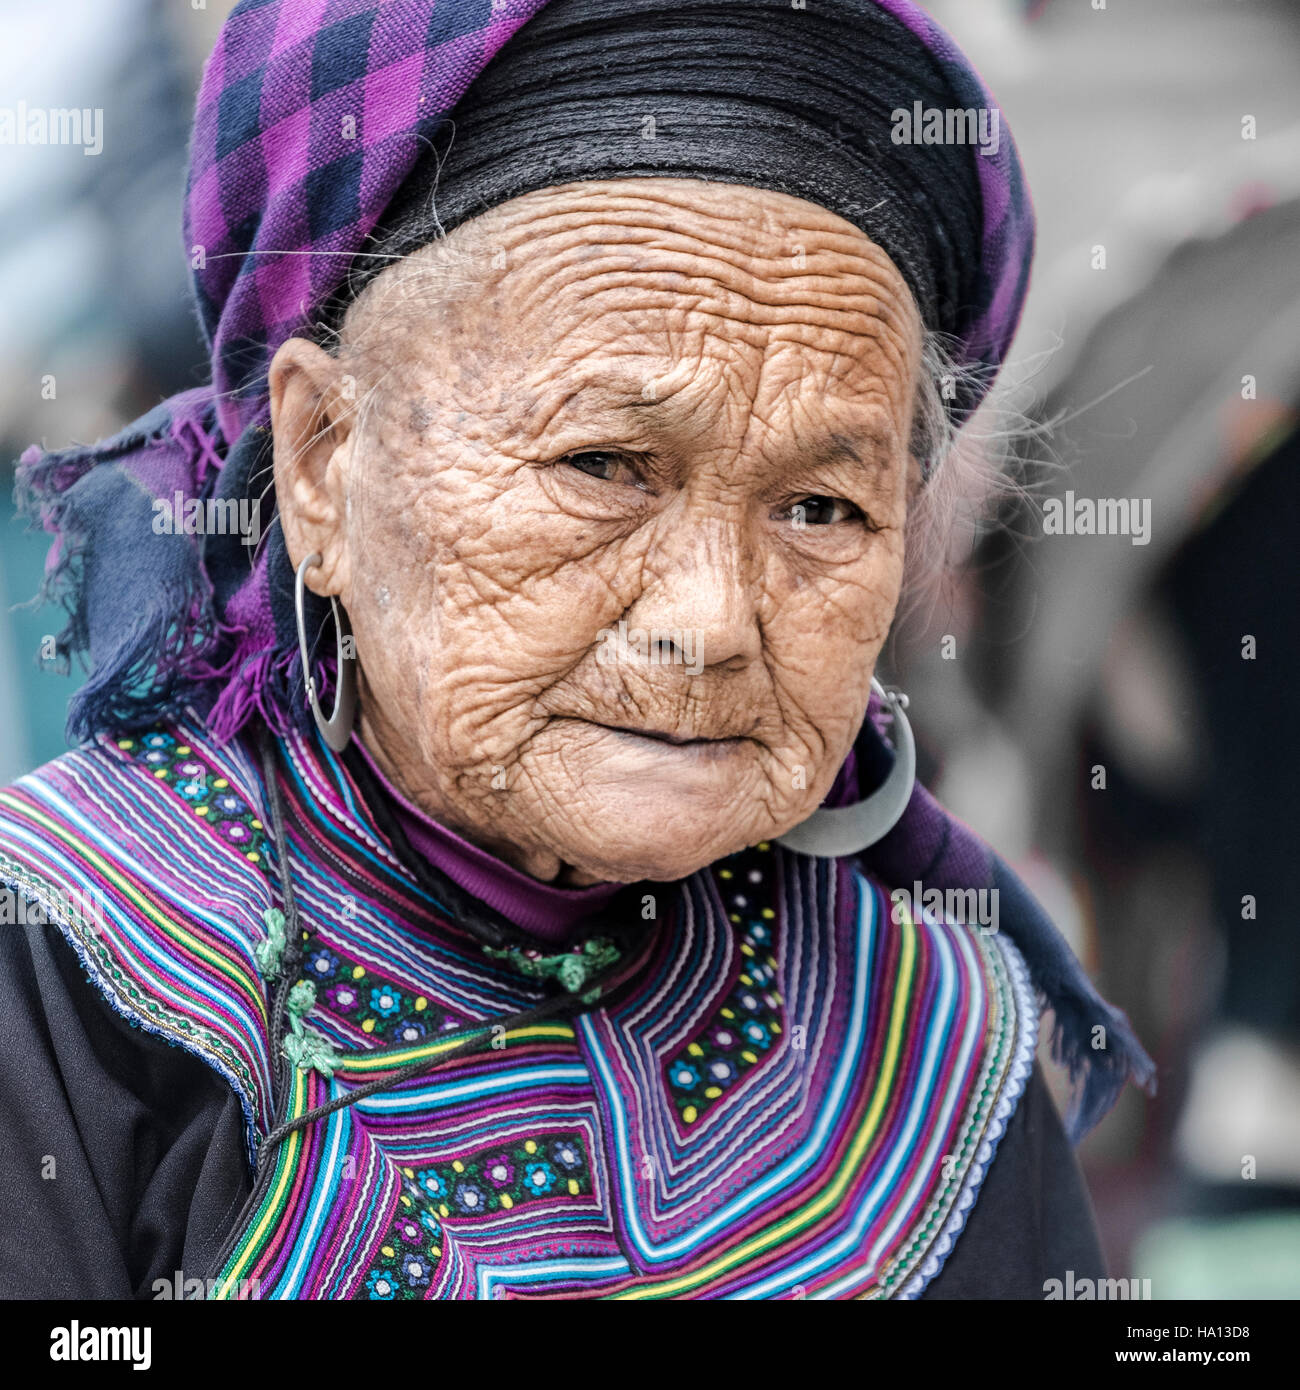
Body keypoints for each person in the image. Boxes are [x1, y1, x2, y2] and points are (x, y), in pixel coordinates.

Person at [0, 0, 1151, 1300]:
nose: (712, 623)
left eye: (821, 507)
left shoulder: (937, 1028)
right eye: (603, 464)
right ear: (323, 463)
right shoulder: (61, 966)